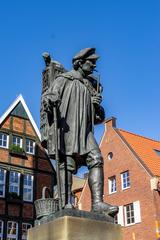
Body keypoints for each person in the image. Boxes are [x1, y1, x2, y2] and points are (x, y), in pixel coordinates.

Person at [41, 48, 118, 217]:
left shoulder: (90, 86)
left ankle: (97, 203)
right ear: (80, 63)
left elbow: (97, 118)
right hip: (68, 129)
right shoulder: (64, 79)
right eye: (91, 63)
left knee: (96, 159)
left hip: (85, 132)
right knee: (66, 166)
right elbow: (48, 98)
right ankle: (66, 201)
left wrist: (97, 105)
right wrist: (50, 100)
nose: (94, 66)